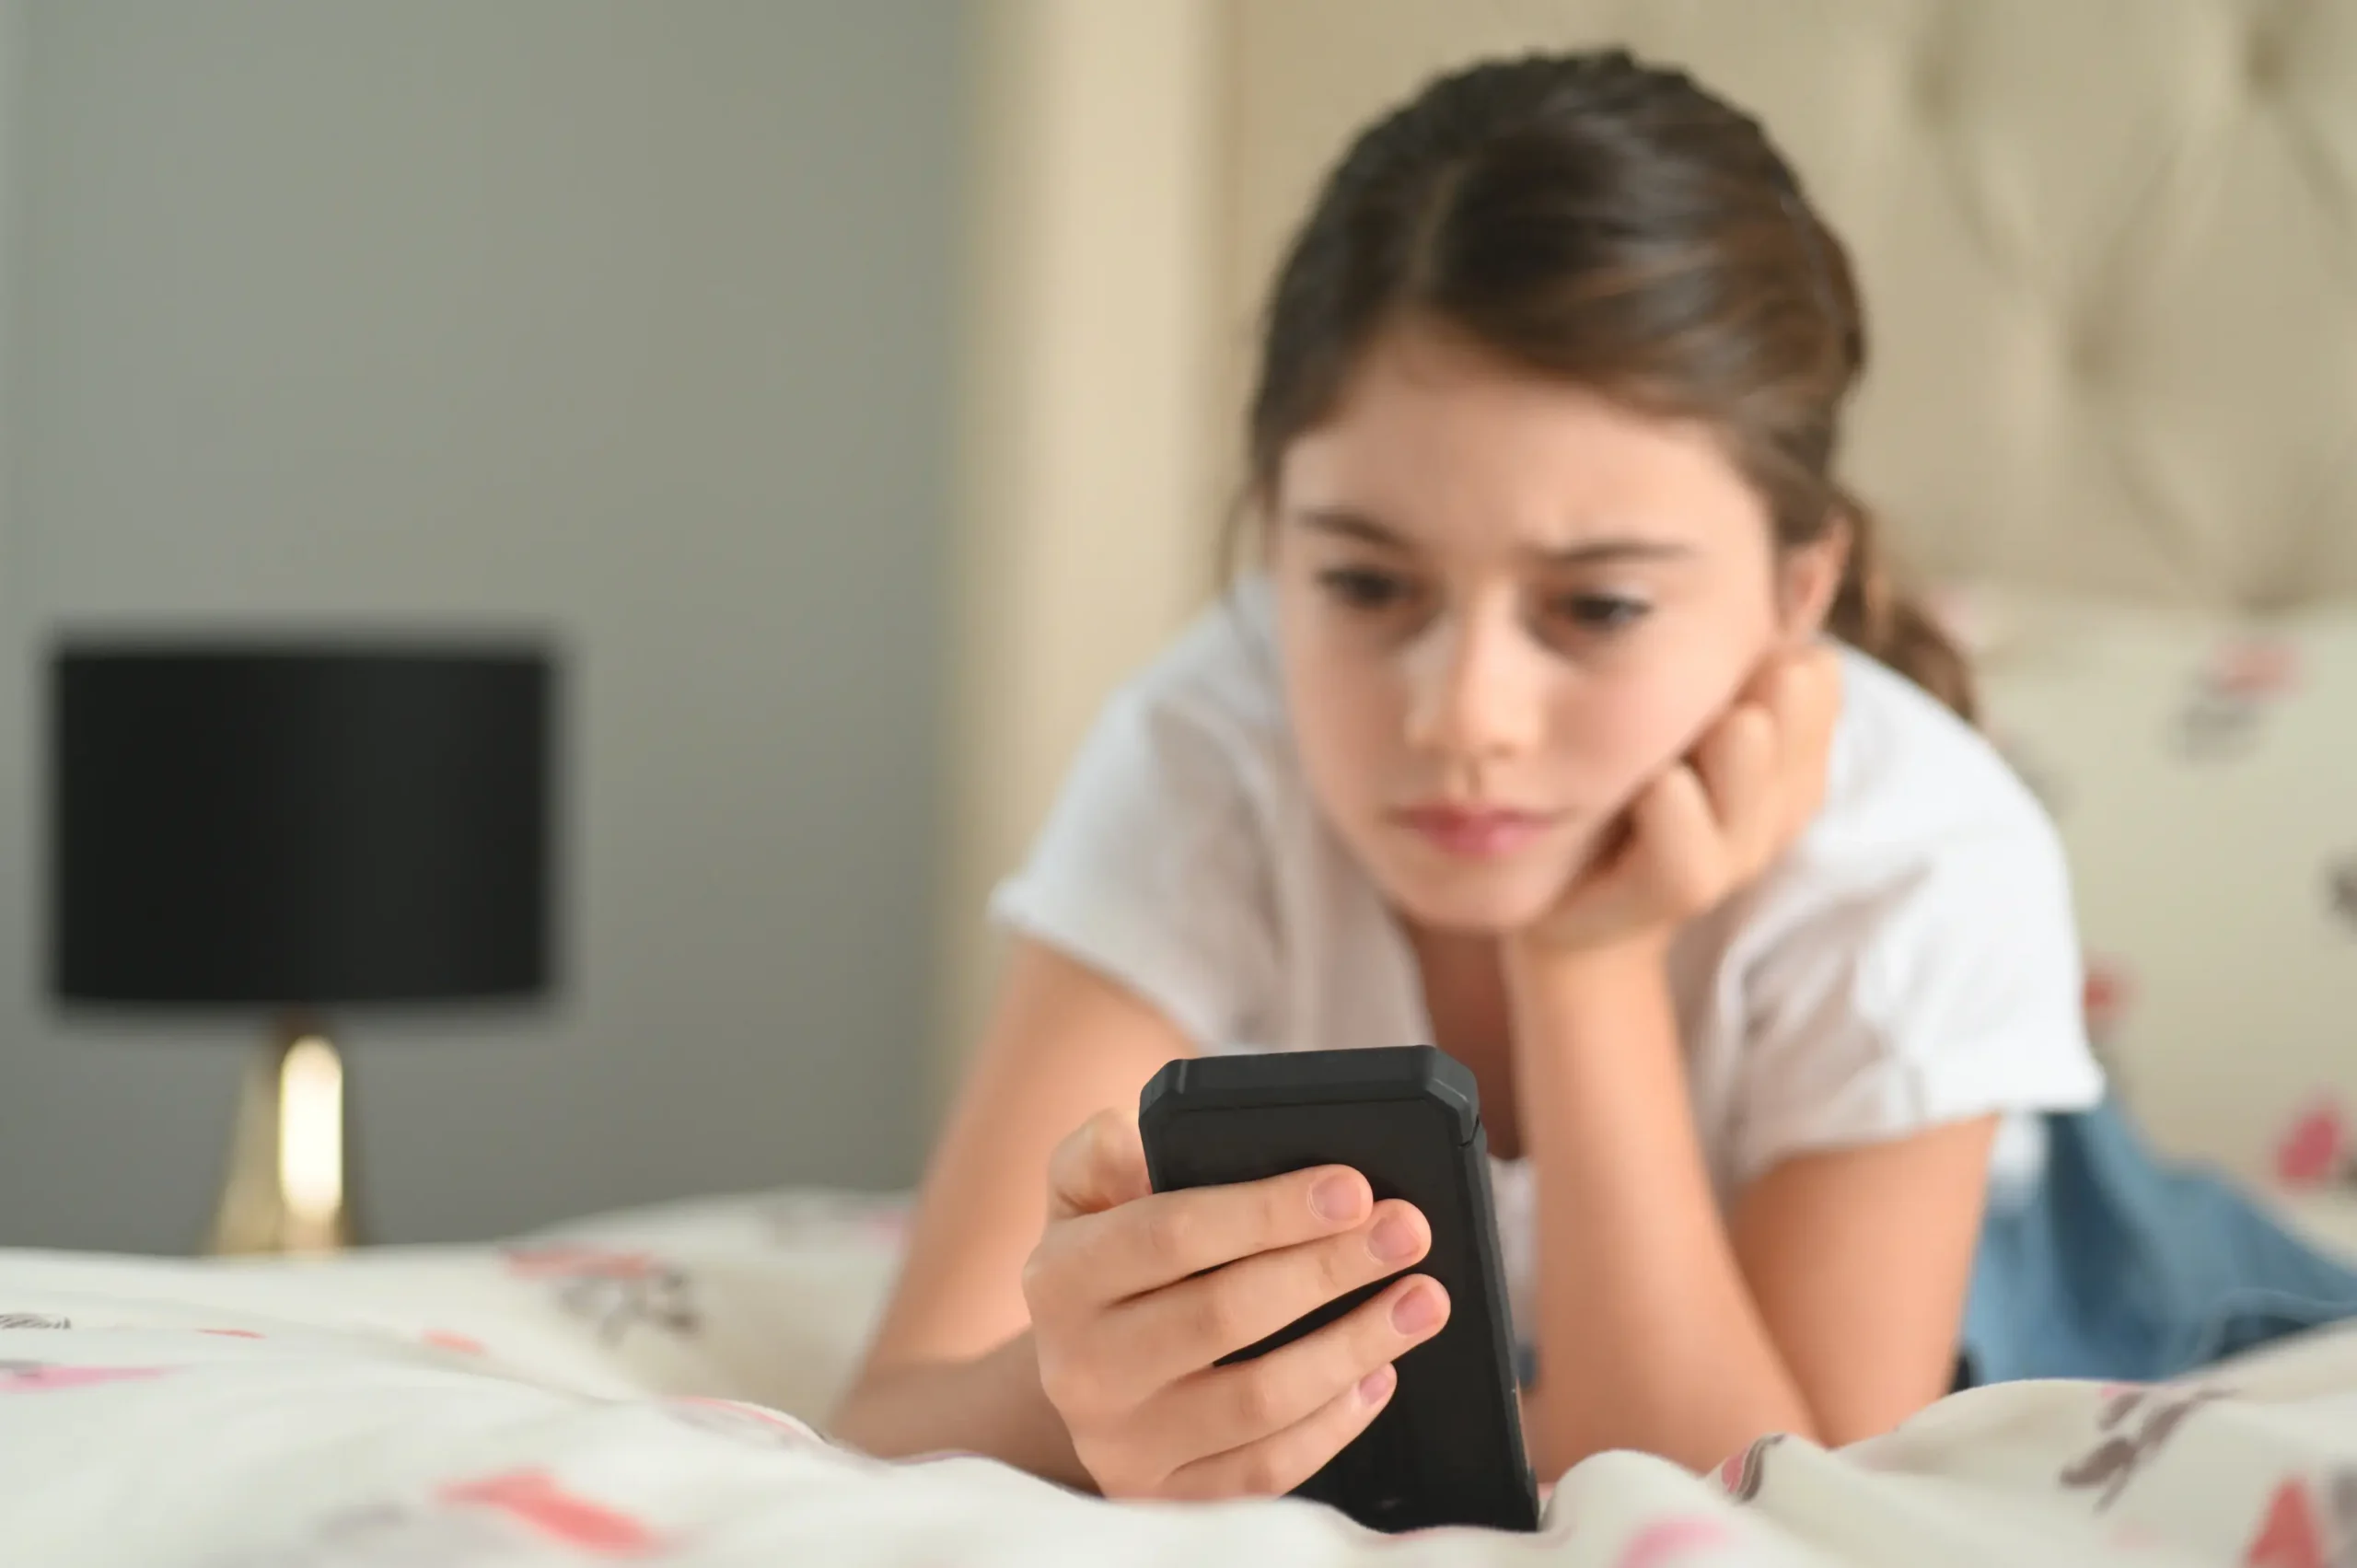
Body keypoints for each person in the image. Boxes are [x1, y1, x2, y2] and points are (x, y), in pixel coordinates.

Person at [830, 48, 2357, 1501]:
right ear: (1272, 534)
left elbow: (1763, 1500)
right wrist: (1075, 1393)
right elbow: (892, 1415)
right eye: (1366, 586)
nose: (1465, 714)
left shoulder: (1927, 850)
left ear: (1794, 591)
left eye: (1600, 606)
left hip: (2087, 1286)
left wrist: (1590, 960)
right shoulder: (1207, 750)